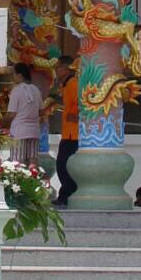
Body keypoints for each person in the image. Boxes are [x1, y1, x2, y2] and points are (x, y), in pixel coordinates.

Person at [53, 55, 79, 206]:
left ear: (66, 68)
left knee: (63, 165)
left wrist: (74, 113)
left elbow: (80, 101)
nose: (56, 71)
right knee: (63, 165)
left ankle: (66, 195)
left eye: (58, 67)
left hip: (73, 133)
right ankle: (66, 194)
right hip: (68, 132)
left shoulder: (73, 83)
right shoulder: (65, 84)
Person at [5, 62, 43, 165]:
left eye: (13, 74)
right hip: (34, 131)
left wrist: (3, 124)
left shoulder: (16, 90)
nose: (12, 77)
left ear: (20, 75)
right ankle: (34, 175)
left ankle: (18, 176)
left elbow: (11, 114)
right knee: (33, 160)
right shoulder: (36, 89)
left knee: (17, 162)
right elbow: (41, 111)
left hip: (19, 131)